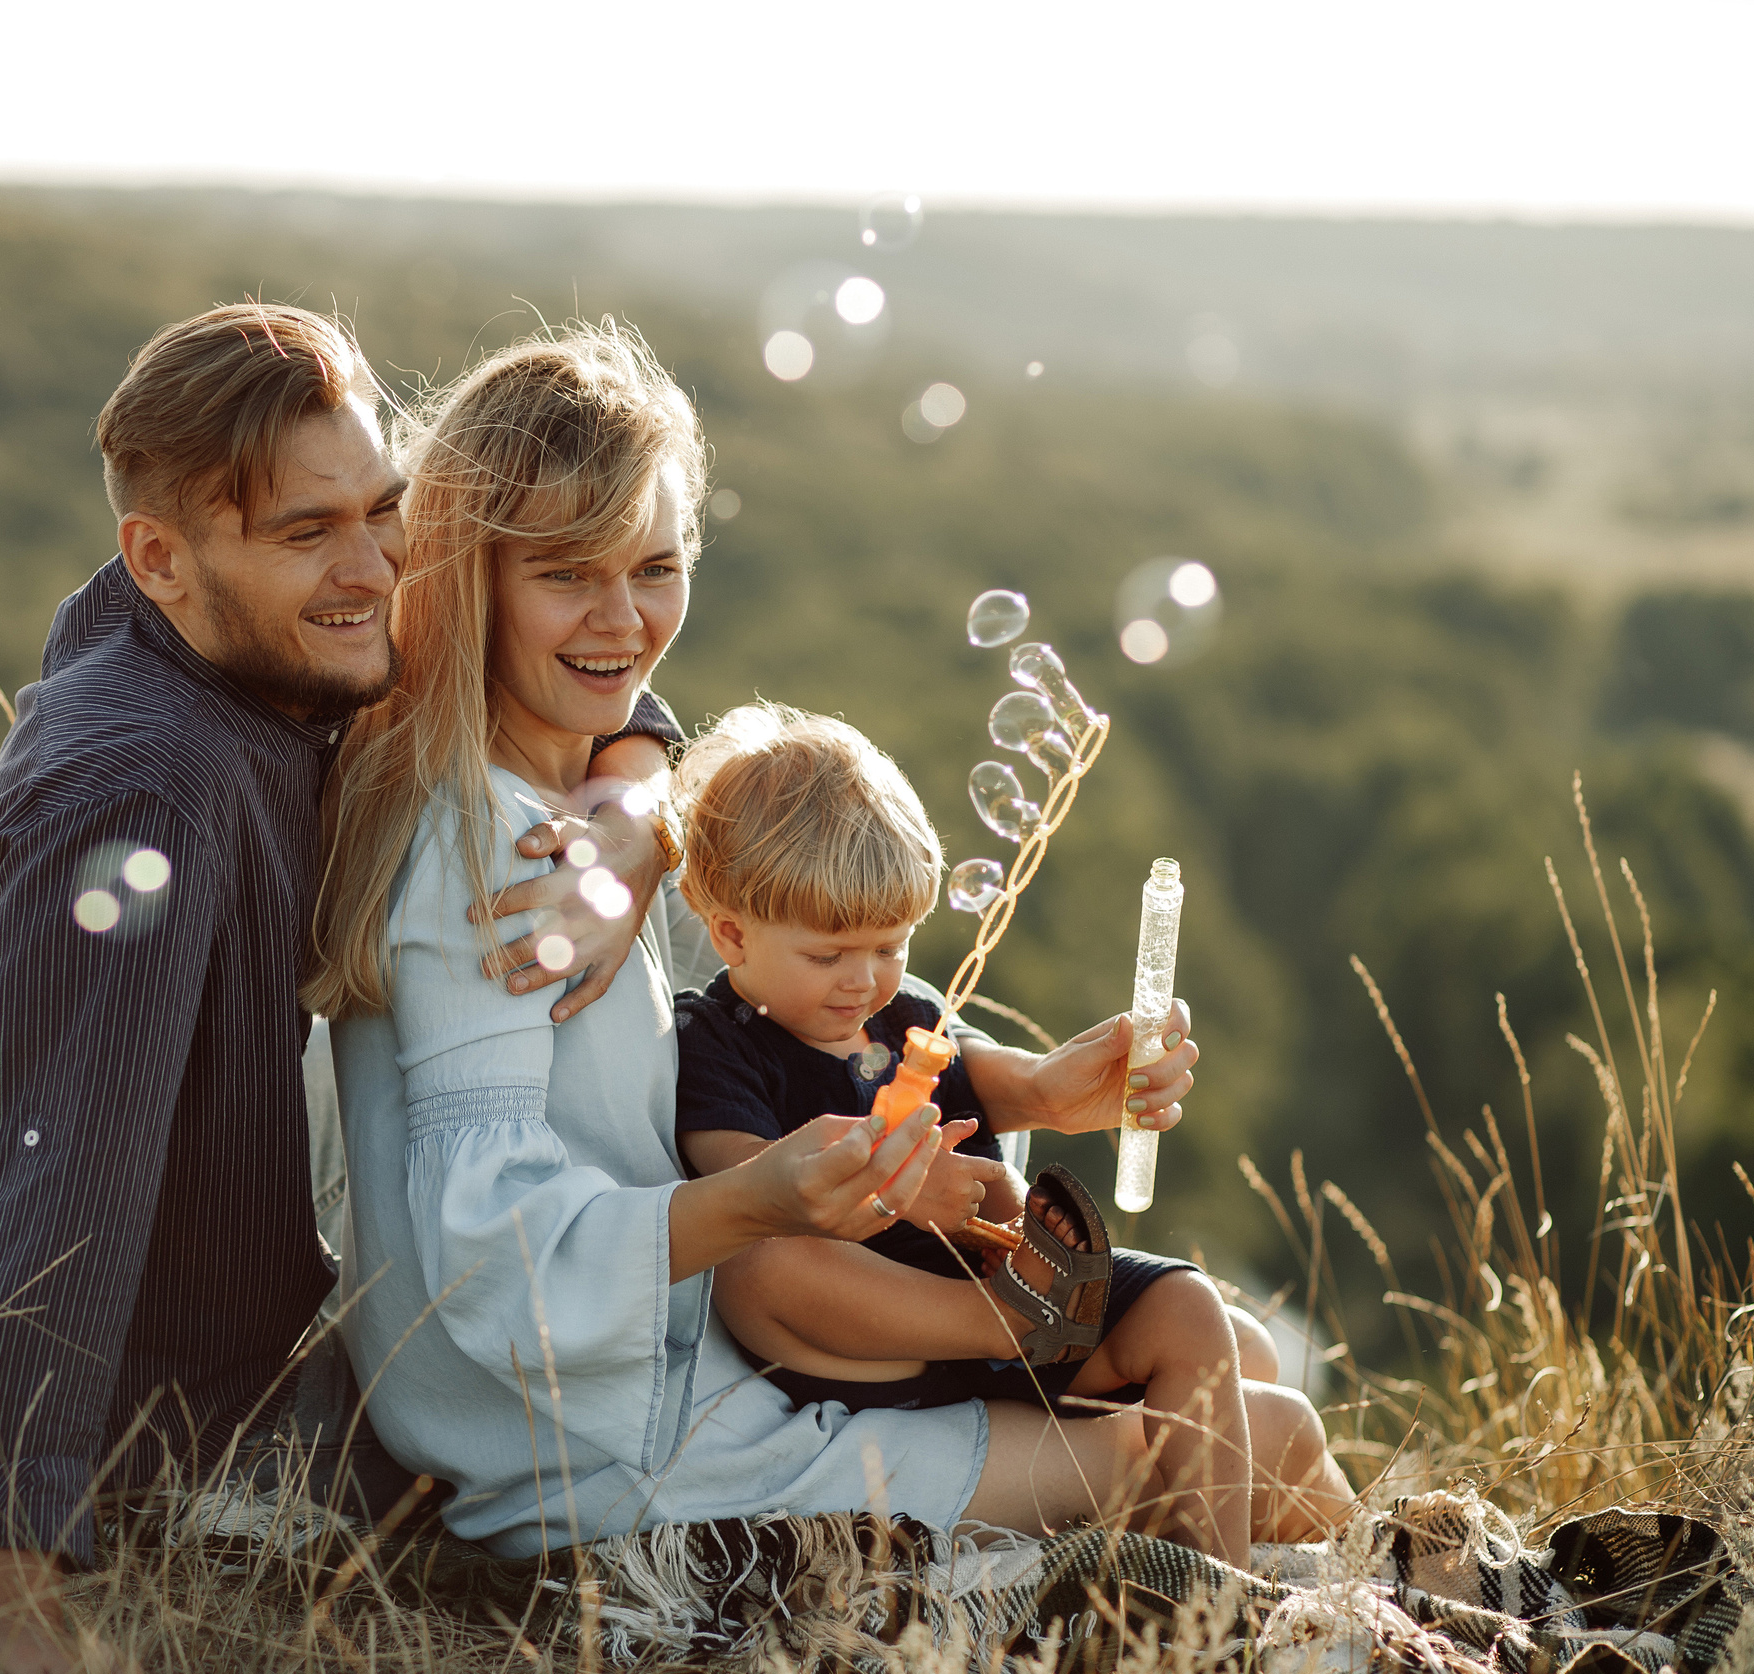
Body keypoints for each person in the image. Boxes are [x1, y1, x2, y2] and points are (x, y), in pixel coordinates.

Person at [0, 303, 680, 1674]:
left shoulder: (265, 639)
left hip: (229, 1338)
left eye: (383, 512)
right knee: (626, 1478)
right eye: (308, 533)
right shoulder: (141, 796)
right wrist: (9, 1600)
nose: (375, 570)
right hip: (145, 1426)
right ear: (159, 556)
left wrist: (633, 792)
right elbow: (35, 1189)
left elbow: (571, 642)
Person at [314, 322, 1240, 1560]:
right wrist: (750, 1201)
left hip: (650, 1381)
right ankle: (1263, 1642)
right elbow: (485, 1258)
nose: (622, 619)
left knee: (1240, 1394)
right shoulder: (504, 866)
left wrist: (642, 798)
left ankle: (1358, 1605)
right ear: (463, 574)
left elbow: (648, 738)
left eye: (654, 565)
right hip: (604, 1446)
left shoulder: (571, 810)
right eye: (563, 574)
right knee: (1228, 1435)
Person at [666, 703, 1354, 1564]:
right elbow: (749, 1189)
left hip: (1008, 1313)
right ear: (730, 931)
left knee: (1220, 1333)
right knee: (763, 1252)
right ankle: (1217, 1599)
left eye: (891, 945)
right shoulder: (719, 1041)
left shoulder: (904, 1015)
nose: (865, 981)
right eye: (829, 955)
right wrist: (904, 1192)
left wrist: (1066, 1085)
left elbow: (1005, 1081)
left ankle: (1325, 1558)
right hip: (875, 1342)